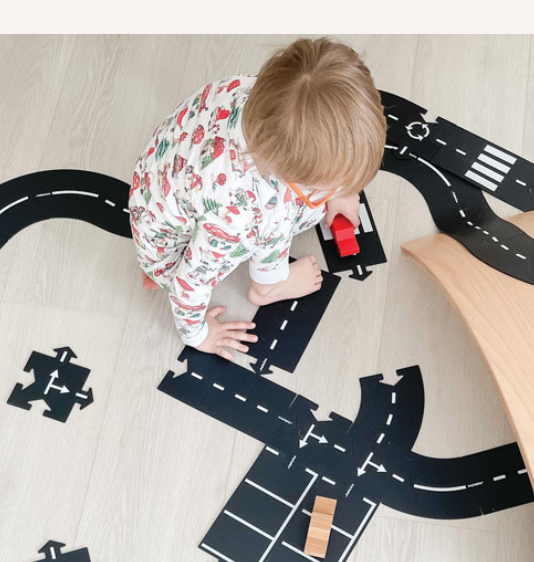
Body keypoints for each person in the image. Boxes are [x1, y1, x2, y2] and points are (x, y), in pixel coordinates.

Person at [129, 37, 387, 360]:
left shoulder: (263, 97)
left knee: (291, 207)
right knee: (277, 228)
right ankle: (270, 288)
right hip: (166, 247)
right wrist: (199, 335)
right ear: (299, 179)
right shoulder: (252, 214)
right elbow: (188, 285)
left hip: (161, 180)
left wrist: (337, 186)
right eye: (333, 184)